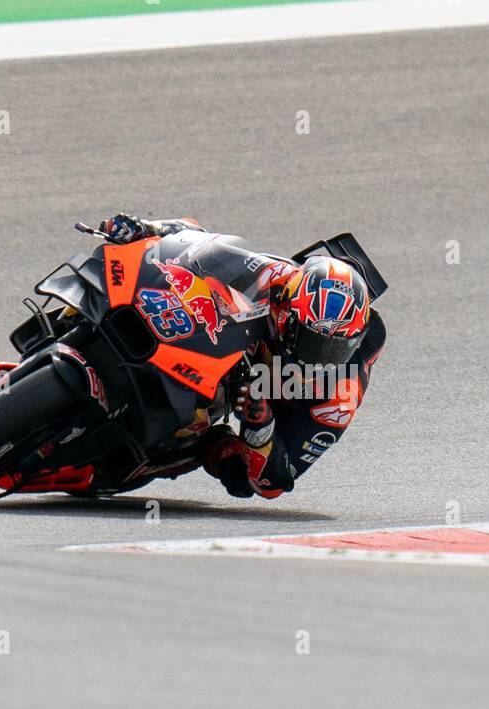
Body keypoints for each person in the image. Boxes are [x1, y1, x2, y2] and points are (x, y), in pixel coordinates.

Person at [100, 213, 386, 499]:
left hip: (266, 400)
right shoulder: (277, 277)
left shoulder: (338, 398)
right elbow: (197, 242)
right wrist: (146, 228)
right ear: (287, 313)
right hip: (221, 345)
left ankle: (167, 447)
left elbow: (275, 483)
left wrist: (260, 424)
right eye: (313, 342)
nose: (320, 357)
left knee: (236, 473)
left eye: (334, 349)